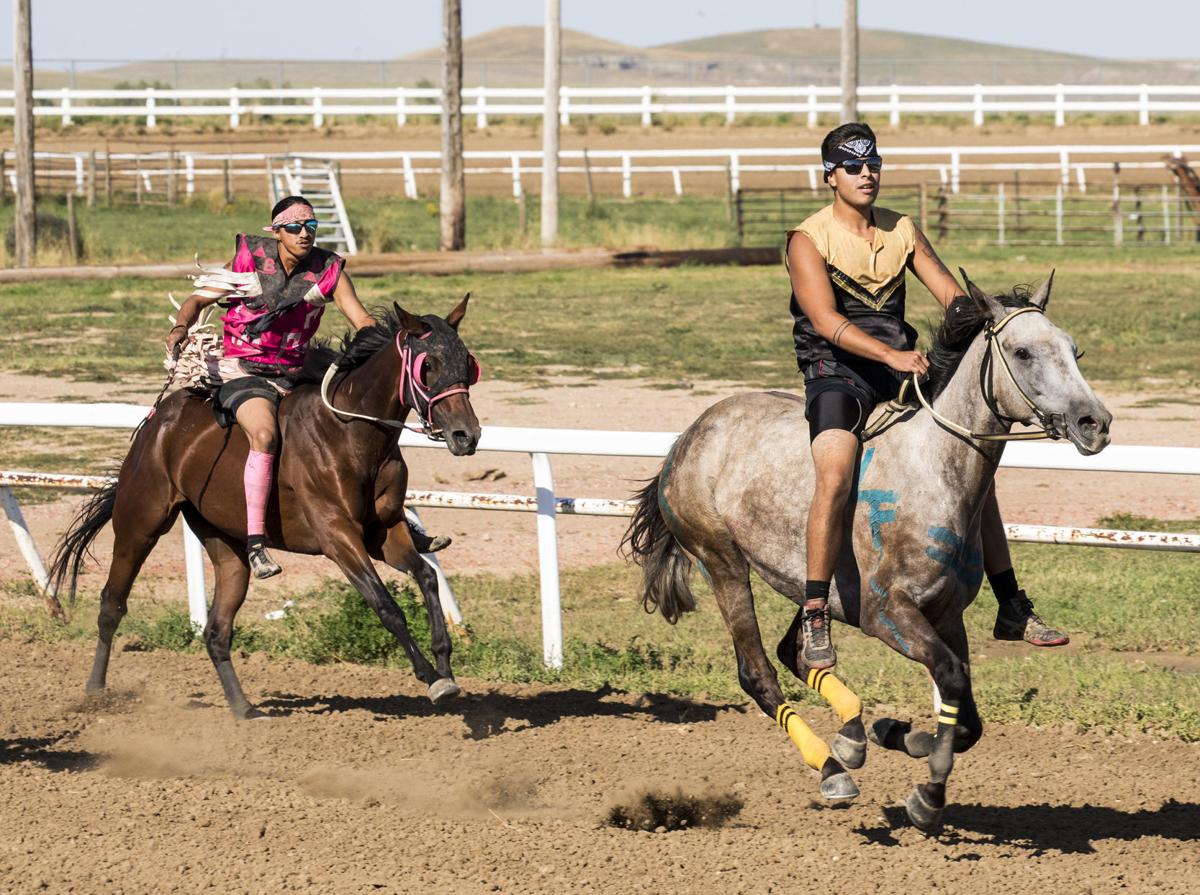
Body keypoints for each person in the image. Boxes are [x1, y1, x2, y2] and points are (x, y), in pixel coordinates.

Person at [785, 122, 1068, 669]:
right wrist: (891, 356)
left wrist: (989, 316)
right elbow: (824, 320)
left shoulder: (903, 229)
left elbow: (951, 297)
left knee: (972, 466)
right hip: (837, 372)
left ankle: (1011, 603)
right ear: (829, 177)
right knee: (836, 472)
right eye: (853, 166)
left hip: (901, 372)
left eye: (874, 164)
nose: (867, 174)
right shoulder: (807, 239)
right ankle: (816, 610)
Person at [166, 196, 447, 579]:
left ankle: (394, 519)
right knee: (264, 433)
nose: (304, 235)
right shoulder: (248, 259)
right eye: (296, 228)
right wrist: (180, 327)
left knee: (362, 417)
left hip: (298, 369)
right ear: (277, 232)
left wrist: (383, 346)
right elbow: (197, 300)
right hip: (243, 369)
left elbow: (361, 317)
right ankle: (255, 543)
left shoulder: (329, 269)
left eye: (310, 228)